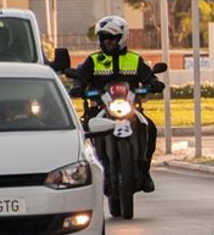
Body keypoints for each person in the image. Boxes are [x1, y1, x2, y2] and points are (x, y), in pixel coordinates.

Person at [69, 15, 162, 192]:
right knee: (84, 130)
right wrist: (78, 87)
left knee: (150, 127)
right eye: (104, 37)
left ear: (122, 37)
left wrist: (154, 83)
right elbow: (81, 78)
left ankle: (144, 170)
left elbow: (148, 76)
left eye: (112, 37)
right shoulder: (94, 60)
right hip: (101, 109)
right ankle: (89, 173)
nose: (107, 41)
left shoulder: (134, 59)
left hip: (129, 107)